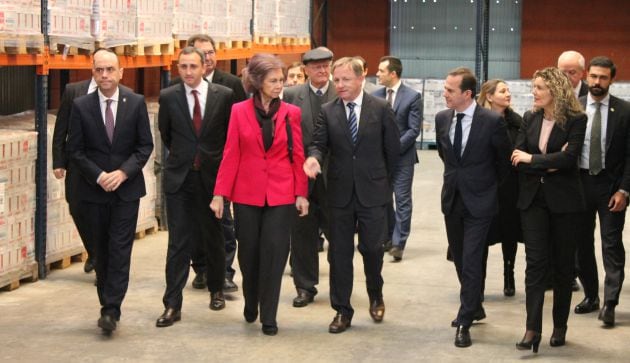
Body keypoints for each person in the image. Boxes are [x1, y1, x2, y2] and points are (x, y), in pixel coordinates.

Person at [210, 53, 309, 336]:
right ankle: (251, 300)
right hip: (246, 195)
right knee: (249, 254)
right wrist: (220, 194)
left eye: (281, 80)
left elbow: (297, 155)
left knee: (275, 254)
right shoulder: (239, 111)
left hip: (281, 195)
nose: (280, 85)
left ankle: (269, 315)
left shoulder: (292, 113)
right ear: (257, 81)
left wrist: (301, 193)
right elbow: (231, 154)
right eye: (274, 80)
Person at [304, 57, 400, 334]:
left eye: (346, 79)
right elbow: (318, 143)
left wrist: (385, 187)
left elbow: (393, 152)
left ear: (361, 79)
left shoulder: (380, 109)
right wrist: (313, 159)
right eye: (337, 80)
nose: (340, 84)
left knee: (371, 249)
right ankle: (342, 310)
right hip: (339, 194)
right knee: (340, 254)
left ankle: (375, 294)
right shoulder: (328, 110)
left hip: (373, 193)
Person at [67, 48, 154, 334]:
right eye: (99, 70)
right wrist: (99, 175)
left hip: (125, 192)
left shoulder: (136, 102)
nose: (105, 75)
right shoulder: (81, 106)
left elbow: (145, 146)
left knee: (119, 249)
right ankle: (106, 300)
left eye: (109, 70)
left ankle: (111, 308)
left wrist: (123, 172)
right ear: (93, 72)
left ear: (120, 72)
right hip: (93, 191)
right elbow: (75, 151)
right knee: (100, 250)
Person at [155, 47, 234, 327]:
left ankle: (216, 290)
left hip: (213, 181)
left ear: (204, 67)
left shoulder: (223, 96)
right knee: (178, 242)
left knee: (213, 236)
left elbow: (228, 138)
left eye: (193, 66)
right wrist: (185, 158)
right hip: (180, 179)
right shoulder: (168, 96)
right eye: (183, 67)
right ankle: (172, 304)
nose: (188, 72)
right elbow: (167, 135)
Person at [512, 67, 587, 352]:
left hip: (565, 203)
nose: (534, 92)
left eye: (540, 87)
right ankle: (532, 329)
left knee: (564, 266)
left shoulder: (577, 120)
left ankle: (559, 325)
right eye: (534, 87)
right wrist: (546, 161)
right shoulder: (530, 118)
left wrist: (534, 159)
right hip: (533, 201)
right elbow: (517, 157)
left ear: (555, 90)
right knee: (535, 264)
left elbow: (569, 159)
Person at [435, 67, 511, 348]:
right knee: (460, 258)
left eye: (450, 90)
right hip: (452, 199)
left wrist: (486, 187)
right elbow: (447, 156)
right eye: (445, 88)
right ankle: (475, 305)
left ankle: (465, 318)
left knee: (471, 258)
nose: (444, 94)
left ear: (467, 94)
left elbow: (503, 163)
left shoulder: (491, 121)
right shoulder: (442, 118)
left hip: (481, 202)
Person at [173, 34, 246, 293]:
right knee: (194, 225)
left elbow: (238, 127)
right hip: (189, 170)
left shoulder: (231, 86)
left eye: (210, 52)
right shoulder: (175, 89)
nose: (207, 58)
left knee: (222, 222)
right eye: (201, 53)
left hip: (219, 169)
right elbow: (170, 134)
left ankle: (224, 272)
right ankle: (201, 269)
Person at [574, 56, 630, 327]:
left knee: (611, 244)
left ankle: (610, 302)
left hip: (610, 187)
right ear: (586, 76)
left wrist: (624, 190)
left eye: (603, 77)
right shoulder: (575, 108)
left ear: (612, 79)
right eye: (593, 76)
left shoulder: (625, 111)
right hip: (580, 185)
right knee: (581, 243)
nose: (597, 82)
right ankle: (591, 296)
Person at [283, 47, 336, 308]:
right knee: (302, 235)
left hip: (334, 179)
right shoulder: (292, 96)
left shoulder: (342, 93)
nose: (323, 70)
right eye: (317, 67)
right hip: (301, 178)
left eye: (327, 66)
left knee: (337, 234)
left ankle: (340, 285)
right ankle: (305, 286)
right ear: (305, 70)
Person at [477, 79, 523, 297]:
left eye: (508, 91)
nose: (508, 94)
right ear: (489, 96)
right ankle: (479, 281)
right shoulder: (477, 120)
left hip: (510, 188)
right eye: (503, 91)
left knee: (510, 233)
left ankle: (509, 274)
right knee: (483, 237)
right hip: (484, 187)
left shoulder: (517, 122)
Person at [373, 55, 421, 262]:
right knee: (383, 200)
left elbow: (413, 130)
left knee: (402, 200)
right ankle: (388, 237)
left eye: (381, 71)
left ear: (393, 74)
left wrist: (393, 149)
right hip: (380, 159)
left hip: (402, 158)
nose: (377, 74)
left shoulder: (412, 97)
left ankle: (399, 243)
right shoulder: (375, 96)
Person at [52, 77, 99, 275]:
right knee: (76, 207)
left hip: (103, 164)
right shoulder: (73, 90)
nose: (104, 74)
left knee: (101, 212)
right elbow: (61, 127)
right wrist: (58, 161)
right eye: (99, 68)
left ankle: (102, 262)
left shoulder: (121, 93)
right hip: (77, 160)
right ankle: (94, 252)